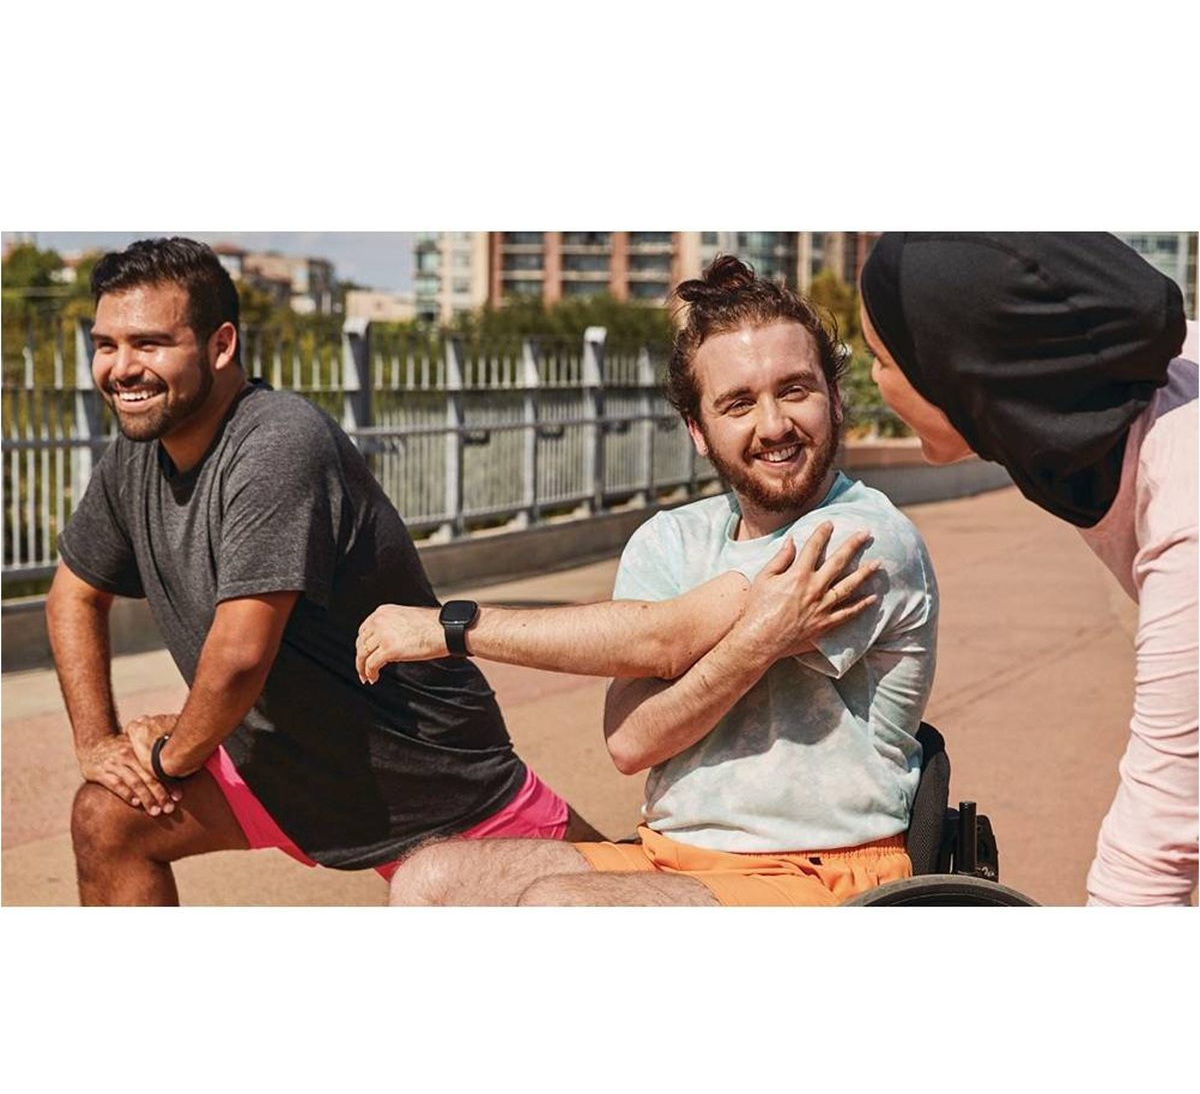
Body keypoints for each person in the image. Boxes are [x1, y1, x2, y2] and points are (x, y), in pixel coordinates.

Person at [52, 237, 865, 905]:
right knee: (109, 818)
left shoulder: (274, 444)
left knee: (584, 899)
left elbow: (238, 655)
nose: (123, 367)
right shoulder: (134, 460)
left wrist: (167, 757)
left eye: (150, 343)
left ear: (221, 344)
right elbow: (72, 595)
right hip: (279, 773)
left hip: (422, 779)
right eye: (106, 346)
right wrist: (99, 745)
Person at [362, 256, 939, 905]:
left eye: (795, 390)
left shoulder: (865, 538)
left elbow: (665, 640)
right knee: (431, 880)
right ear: (698, 431)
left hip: (823, 872)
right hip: (671, 856)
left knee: (562, 908)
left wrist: (453, 628)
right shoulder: (670, 540)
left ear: (834, 398)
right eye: (739, 403)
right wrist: (759, 639)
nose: (774, 424)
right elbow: (633, 741)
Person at [858, 231, 1197, 906]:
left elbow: (1151, 858)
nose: (872, 380)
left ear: (965, 379)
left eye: (883, 359)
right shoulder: (1108, 385)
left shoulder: (1185, 505)